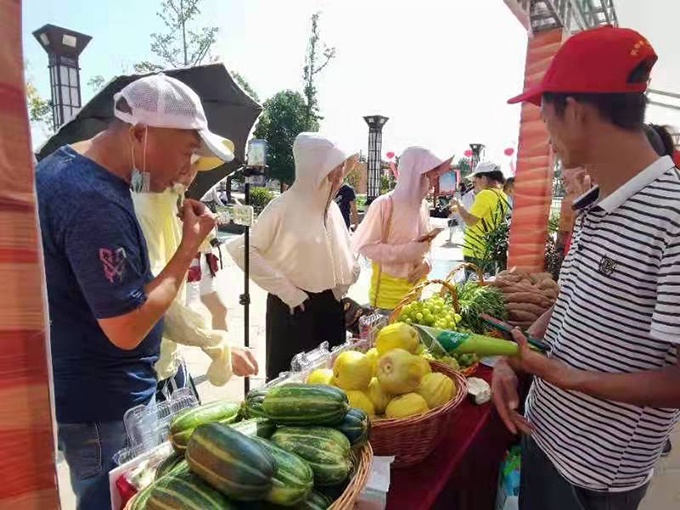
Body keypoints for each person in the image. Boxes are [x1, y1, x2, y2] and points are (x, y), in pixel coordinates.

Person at [495, 26, 680, 510]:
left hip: (595, 475)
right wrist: (516, 358)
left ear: (573, 111)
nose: (548, 138)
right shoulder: (597, 203)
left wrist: (561, 374)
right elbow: (570, 303)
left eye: (545, 115)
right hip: (544, 433)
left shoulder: (674, 218)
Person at [36, 74, 228, 509]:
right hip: (106, 407)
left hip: (93, 396)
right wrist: (187, 250)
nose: (188, 169)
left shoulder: (63, 169)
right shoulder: (94, 201)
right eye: (186, 152)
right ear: (140, 133)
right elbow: (128, 326)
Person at [132, 140, 258, 403]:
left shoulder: (166, 201)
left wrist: (201, 233)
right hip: (144, 370)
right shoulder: (140, 207)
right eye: (185, 163)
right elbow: (156, 301)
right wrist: (219, 345)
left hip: (168, 359)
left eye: (196, 166)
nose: (190, 175)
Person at [227, 133, 360, 380]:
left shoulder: (329, 208)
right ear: (316, 167)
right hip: (293, 309)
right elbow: (244, 249)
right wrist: (288, 291)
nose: (341, 174)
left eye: (342, 166)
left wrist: (345, 279)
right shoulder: (282, 206)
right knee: (291, 387)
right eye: (335, 166)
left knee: (332, 381)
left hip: (329, 306)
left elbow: (341, 250)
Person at [352, 147, 452, 310]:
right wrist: (407, 252)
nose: (436, 178)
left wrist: (427, 262)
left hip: (416, 296)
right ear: (415, 173)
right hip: (386, 300)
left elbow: (425, 246)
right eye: (433, 171)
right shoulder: (384, 204)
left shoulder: (423, 206)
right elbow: (364, 247)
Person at [450, 161, 509, 276]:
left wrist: (459, 204)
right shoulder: (502, 195)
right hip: (489, 250)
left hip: (475, 250)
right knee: (485, 285)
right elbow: (485, 217)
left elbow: (470, 221)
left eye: (475, 180)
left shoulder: (485, 194)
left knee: (474, 288)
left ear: (484, 177)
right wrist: (460, 210)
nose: (473, 183)